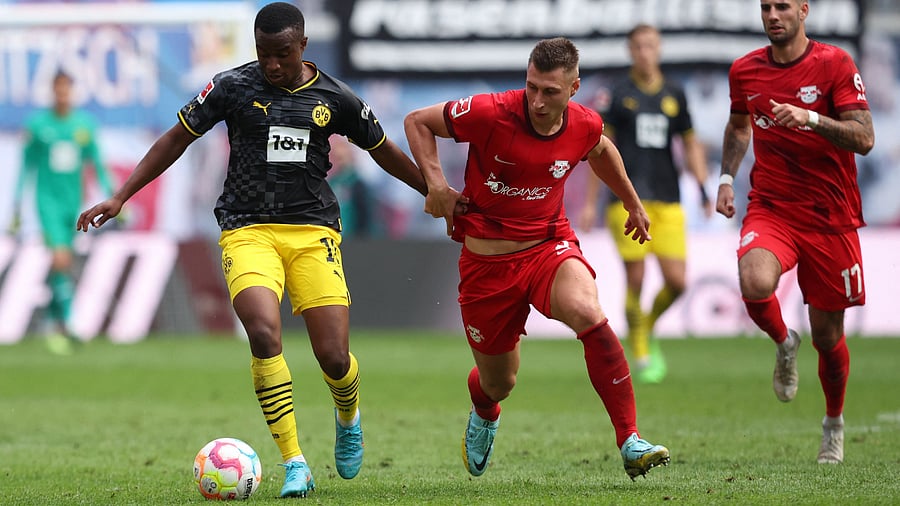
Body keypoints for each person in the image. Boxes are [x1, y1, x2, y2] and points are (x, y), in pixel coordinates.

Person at [77, 2, 427, 498]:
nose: (272, 65)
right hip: (247, 230)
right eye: (264, 54)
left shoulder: (335, 97)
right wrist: (120, 196)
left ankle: (347, 416)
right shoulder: (232, 87)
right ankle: (294, 461)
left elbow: (383, 149)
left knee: (334, 356)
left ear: (303, 46)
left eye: (282, 54)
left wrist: (433, 195)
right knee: (263, 333)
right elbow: (176, 138)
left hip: (313, 233)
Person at [404, 37, 670, 480]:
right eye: (532, 87)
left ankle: (629, 439)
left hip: (549, 248)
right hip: (486, 265)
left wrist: (632, 202)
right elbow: (417, 122)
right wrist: (437, 185)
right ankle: (485, 410)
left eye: (550, 91)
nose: (538, 101)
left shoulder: (584, 124)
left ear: (574, 88)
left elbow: (601, 150)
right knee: (498, 382)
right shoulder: (490, 112)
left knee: (589, 312)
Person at [716, 0, 874, 464]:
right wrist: (726, 180)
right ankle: (785, 342)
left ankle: (833, 423)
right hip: (773, 207)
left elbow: (864, 139)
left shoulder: (835, 64)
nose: (772, 15)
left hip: (830, 214)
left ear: (804, 10)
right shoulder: (744, 70)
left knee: (828, 337)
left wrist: (811, 119)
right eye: (765, 7)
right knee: (754, 280)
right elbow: (739, 124)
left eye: (782, 6)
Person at [578, 24, 711, 384]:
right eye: (638, 46)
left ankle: (646, 326)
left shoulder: (675, 94)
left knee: (678, 282)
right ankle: (640, 349)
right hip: (626, 199)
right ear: (630, 50)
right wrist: (591, 203)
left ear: (659, 49)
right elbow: (600, 152)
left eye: (650, 45)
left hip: (668, 199)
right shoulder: (617, 95)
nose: (644, 52)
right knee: (636, 278)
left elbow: (690, 142)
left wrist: (702, 187)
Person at [13, 69, 113, 355]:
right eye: (57, 89)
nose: (62, 94)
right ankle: (69, 322)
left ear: (72, 91)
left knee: (63, 263)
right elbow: (25, 167)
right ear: (52, 91)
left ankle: (51, 318)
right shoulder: (38, 125)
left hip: (74, 204)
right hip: (47, 202)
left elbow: (97, 163)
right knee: (59, 256)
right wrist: (17, 205)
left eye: (66, 89)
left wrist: (116, 196)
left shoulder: (83, 126)